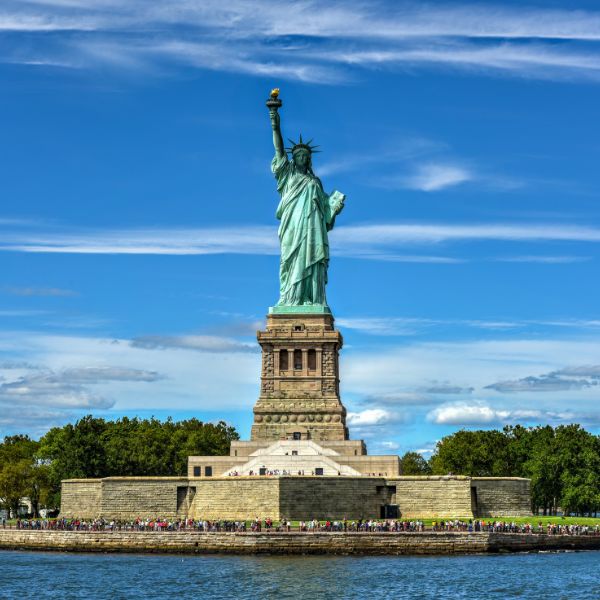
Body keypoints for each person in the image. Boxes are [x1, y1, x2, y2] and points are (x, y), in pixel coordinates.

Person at [268, 104, 345, 307]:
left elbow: (325, 211)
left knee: (311, 259)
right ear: (293, 158)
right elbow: (278, 148)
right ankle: (290, 299)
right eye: (298, 155)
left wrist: (334, 207)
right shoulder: (288, 175)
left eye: (305, 155)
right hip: (292, 225)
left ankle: (312, 298)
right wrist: (274, 121)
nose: (301, 157)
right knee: (289, 260)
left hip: (312, 228)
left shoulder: (315, 182)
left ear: (309, 159)